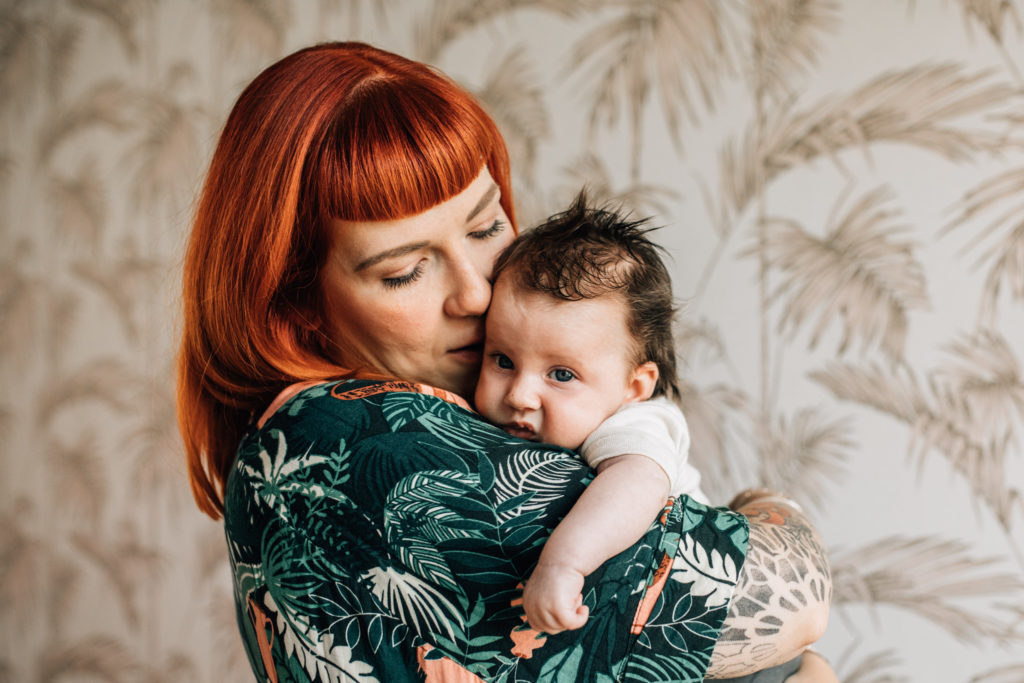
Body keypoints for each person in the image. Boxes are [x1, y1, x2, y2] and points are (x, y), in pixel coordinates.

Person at [177, 41, 834, 682]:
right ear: (299, 308)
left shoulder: (287, 438)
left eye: (487, 227)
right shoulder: (375, 442)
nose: (476, 291)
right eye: (406, 272)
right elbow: (792, 600)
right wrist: (769, 507)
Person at [474, 196, 833, 682]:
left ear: (635, 385)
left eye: (560, 374)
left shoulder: (636, 423)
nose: (520, 394)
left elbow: (636, 484)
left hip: (733, 664)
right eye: (502, 360)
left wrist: (563, 566)